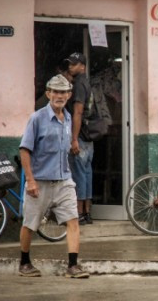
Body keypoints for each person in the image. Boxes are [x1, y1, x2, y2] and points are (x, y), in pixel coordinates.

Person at [18, 74, 89, 278]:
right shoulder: (37, 118)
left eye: (63, 92)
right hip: (39, 181)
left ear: (69, 94)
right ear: (48, 93)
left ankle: (73, 266)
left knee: (73, 219)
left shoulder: (67, 118)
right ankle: (24, 262)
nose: (59, 95)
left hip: (64, 180)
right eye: (55, 91)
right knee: (30, 223)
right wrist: (30, 180)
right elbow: (25, 150)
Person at [65, 52, 94, 225]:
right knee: (86, 174)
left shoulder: (79, 85)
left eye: (74, 64)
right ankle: (87, 212)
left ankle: (80, 213)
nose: (71, 66)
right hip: (87, 137)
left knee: (79, 175)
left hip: (80, 137)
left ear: (82, 66)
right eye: (70, 63)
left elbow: (78, 112)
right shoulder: (86, 83)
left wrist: (73, 139)